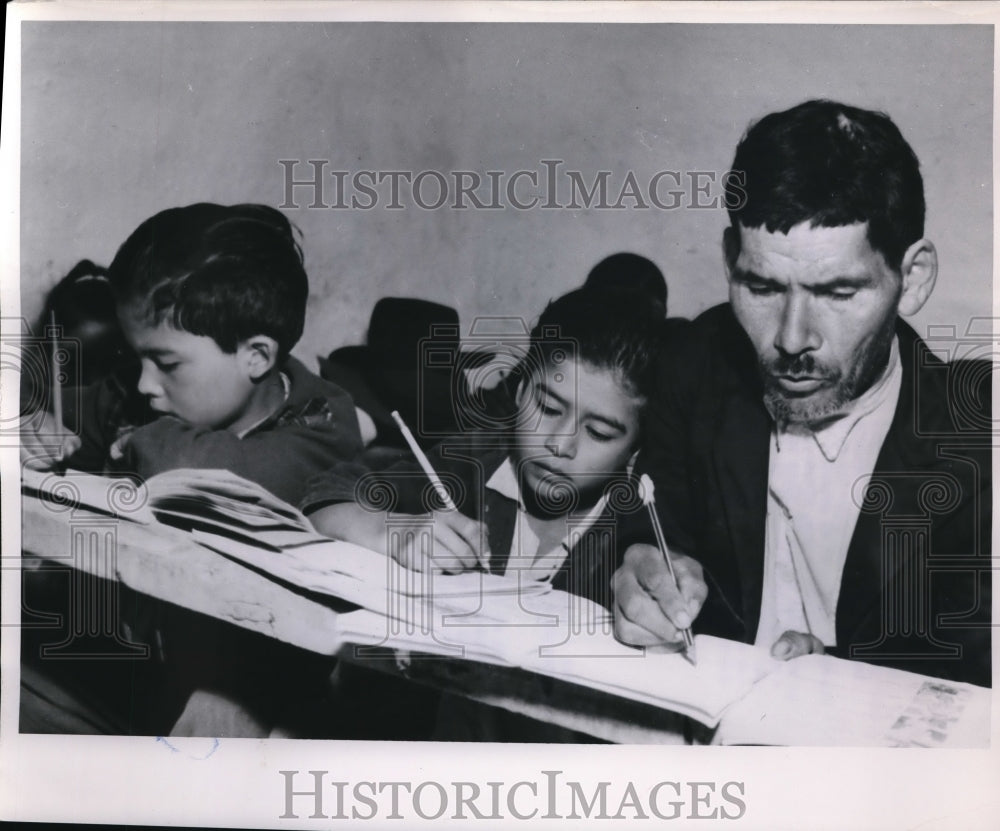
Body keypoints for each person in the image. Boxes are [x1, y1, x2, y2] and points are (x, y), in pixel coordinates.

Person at [613, 99, 991, 688]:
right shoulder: (696, 363)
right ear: (730, 261)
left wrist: (845, 678)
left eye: (838, 293)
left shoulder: (977, 444)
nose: (791, 339)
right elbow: (652, 517)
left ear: (912, 279)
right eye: (762, 287)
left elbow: (973, 674)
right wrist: (636, 562)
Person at [20, 203, 365, 736]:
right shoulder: (149, 396)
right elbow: (80, 410)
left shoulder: (322, 420)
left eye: (167, 364)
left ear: (255, 355)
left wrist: (139, 441)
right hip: (135, 664)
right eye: (137, 359)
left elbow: (214, 468)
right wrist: (35, 424)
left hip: (244, 687)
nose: (142, 385)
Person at [303, 286, 668, 739]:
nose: (560, 443)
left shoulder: (643, 523)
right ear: (517, 391)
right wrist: (394, 531)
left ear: (636, 449)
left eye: (598, 432)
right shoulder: (475, 459)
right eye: (548, 407)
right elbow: (326, 495)